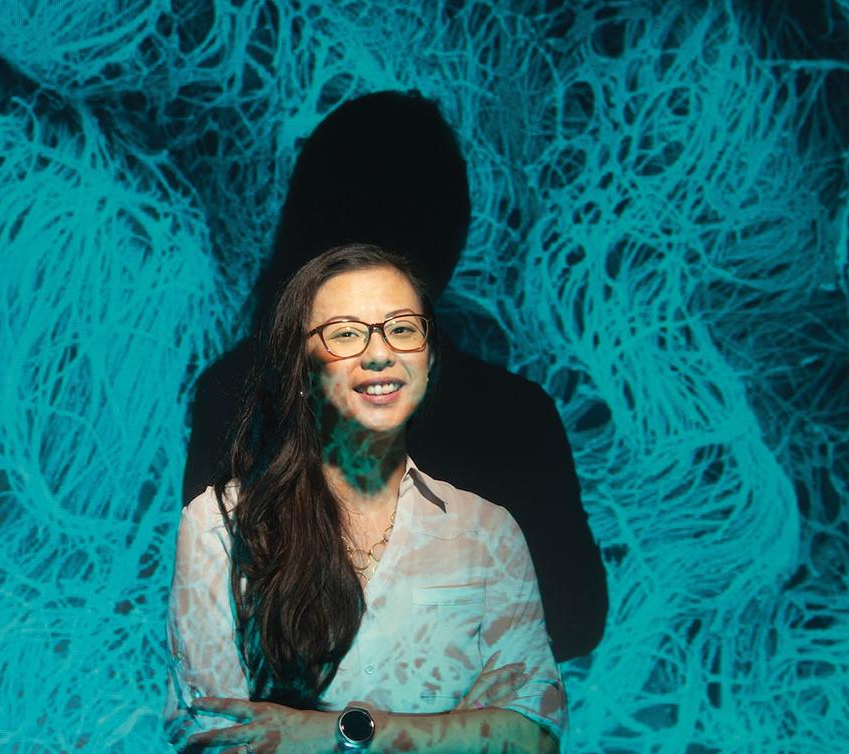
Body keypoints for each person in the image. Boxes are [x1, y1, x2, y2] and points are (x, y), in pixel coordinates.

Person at [181, 91, 606, 663]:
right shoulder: (512, 416)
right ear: (449, 230)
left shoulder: (228, 392)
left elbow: (217, 621)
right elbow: (574, 623)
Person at [166, 244, 565, 753]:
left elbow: (535, 736)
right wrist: (458, 731)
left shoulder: (486, 531)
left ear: (430, 356)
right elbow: (218, 738)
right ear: (302, 369)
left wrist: (332, 733)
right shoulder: (220, 526)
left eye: (402, 328)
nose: (380, 353)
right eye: (346, 334)